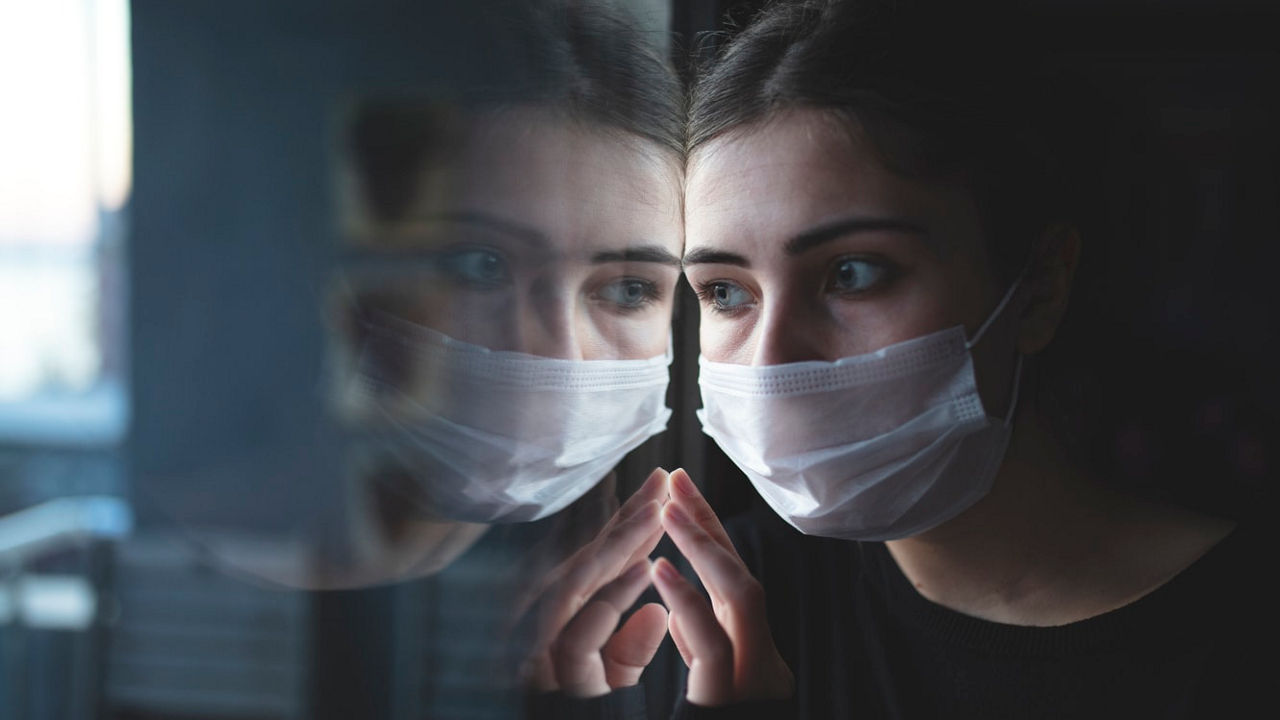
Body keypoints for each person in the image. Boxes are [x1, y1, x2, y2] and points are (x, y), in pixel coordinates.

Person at [531, 1, 1271, 718]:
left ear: (1040, 287)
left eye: (854, 273)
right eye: (725, 291)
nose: (771, 360)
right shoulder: (698, 613)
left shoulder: (1246, 637)